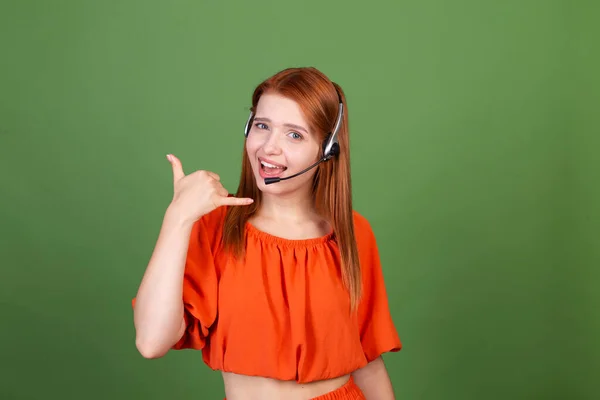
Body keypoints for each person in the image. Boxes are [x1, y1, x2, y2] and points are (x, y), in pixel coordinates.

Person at [132, 67, 402, 400]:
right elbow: (150, 341)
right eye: (262, 126)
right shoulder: (214, 227)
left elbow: (368, 361)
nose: (269, 148)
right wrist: (177, 218)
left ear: (327, 149)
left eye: (294, 135)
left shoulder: (353, 233)